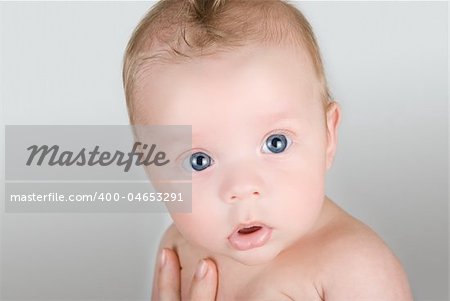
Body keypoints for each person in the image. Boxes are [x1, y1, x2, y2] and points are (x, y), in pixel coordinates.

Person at [122, 0, 414, 299]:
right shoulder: (177, 252)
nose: (243, 187)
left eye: (276, 143)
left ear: (328, 134)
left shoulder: (354, 268)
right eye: (199, 161)